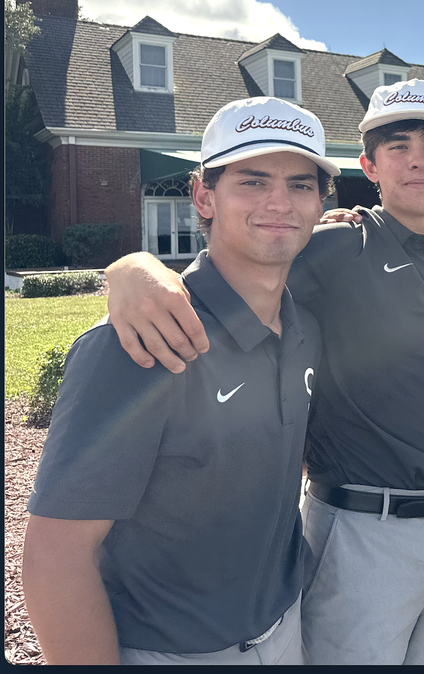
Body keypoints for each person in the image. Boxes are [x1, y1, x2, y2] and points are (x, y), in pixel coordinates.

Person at [100, 79, 424, 665]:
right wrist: (130, 269)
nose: (419, 159)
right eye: (398, 144)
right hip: (361, 525)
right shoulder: (330, 247)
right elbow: (228, 267)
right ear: (369, 165)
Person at [22, 96, 336, 664]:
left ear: (320, 203)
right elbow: (56, 556)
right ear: (203, 196)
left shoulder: (304, 325)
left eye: (300, 185)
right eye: (253, 181)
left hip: (284, 628)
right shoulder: (138, 344)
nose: (279, 203)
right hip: (173, 653)